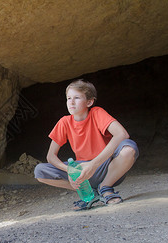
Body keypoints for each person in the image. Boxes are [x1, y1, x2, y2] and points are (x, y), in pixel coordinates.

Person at [34, 79, 139, 210]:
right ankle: (90, 193)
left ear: (89, 102)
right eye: (68, 98)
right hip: (82, 172)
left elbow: (122, 134)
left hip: (105, 167)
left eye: (77, 98)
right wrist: (71, 171)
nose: (71, 102)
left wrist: (93, 164)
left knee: (128, 148)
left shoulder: (96, 113)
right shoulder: (64, 122)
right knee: (40, 171)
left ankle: (105, 187)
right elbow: (51, 156)